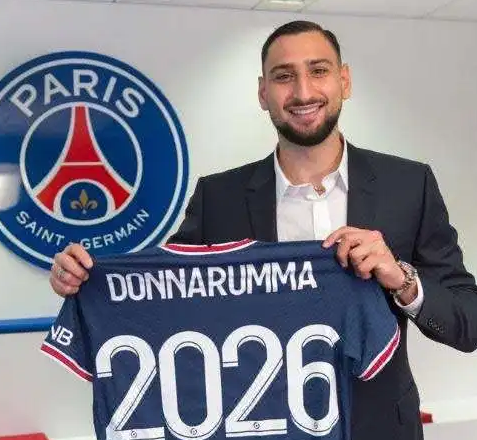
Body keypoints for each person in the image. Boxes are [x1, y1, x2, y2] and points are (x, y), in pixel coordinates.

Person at [49, 20, 477, 440]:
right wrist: (84, 278)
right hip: (261, 428)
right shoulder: (219, 198)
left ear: (344, 81)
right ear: (263, 93)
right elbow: (161, 295)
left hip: (379, 429)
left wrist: (403, 279)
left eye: (319, 70)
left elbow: (468, 322)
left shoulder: (409, 185)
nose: (303, 92)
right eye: (284, 76)